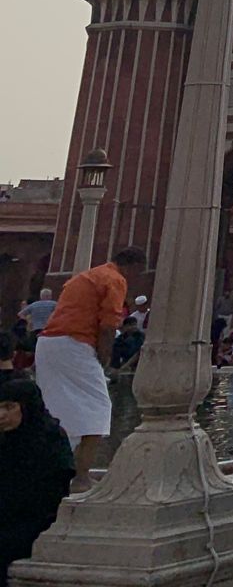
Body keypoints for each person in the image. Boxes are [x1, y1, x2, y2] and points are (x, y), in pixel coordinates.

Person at [34, 244, 144, 478]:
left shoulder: (86, 276)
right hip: (74, 343)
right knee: (99, 409)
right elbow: (108, 325)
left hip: (48, 344)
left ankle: (51, 472)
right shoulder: (114, 279)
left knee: (56, 409)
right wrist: (104, 359)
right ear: (133, 266)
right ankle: (80, 478)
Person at [0, 378, 75, 583]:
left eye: (9, 407)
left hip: (34, 522)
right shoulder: (5, 438)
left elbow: (49, 496)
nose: (2, 415)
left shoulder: (50, 440)